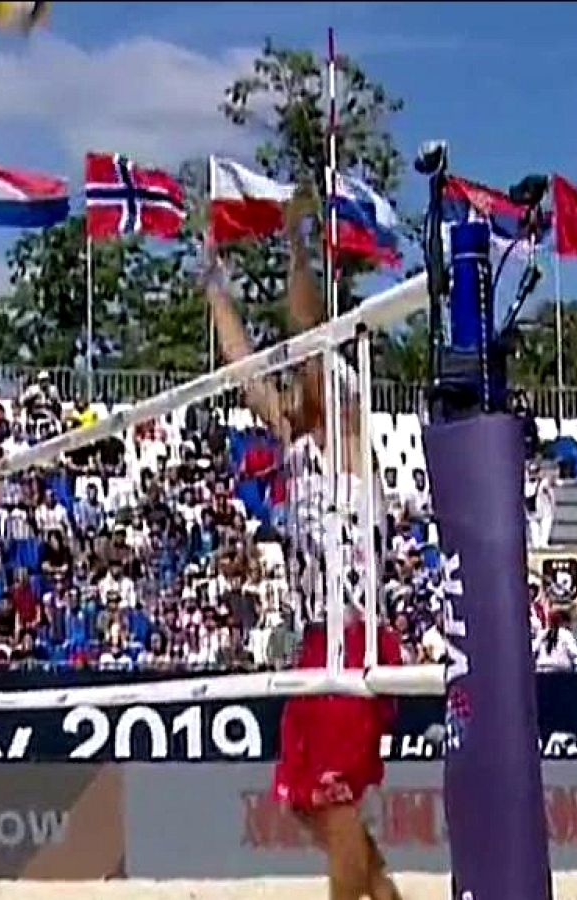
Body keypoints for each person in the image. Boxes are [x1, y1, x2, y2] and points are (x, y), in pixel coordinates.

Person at [206, 193, 403, 900]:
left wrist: (294, 246)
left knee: (335, 802)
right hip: (320, 637)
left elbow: (310, 333)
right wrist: (213, 284)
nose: (289, 385)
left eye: (302, 377)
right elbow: (240, 368)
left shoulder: (344, 429)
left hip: (357, 635)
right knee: (307, 802)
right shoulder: (294, 432)